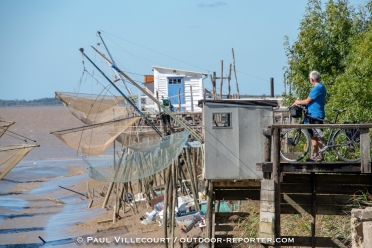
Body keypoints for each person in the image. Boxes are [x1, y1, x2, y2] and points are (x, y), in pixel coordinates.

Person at [293, 71, 327, 162]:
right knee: (313, 136)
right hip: (312, 115)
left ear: (312, 79)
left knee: (318, 135)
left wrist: (298, 102)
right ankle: (314, 156)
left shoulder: (317, 88)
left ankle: (320, 155)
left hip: (316, 115)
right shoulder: (321, 87)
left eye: (309, 78)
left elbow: (307, 101)